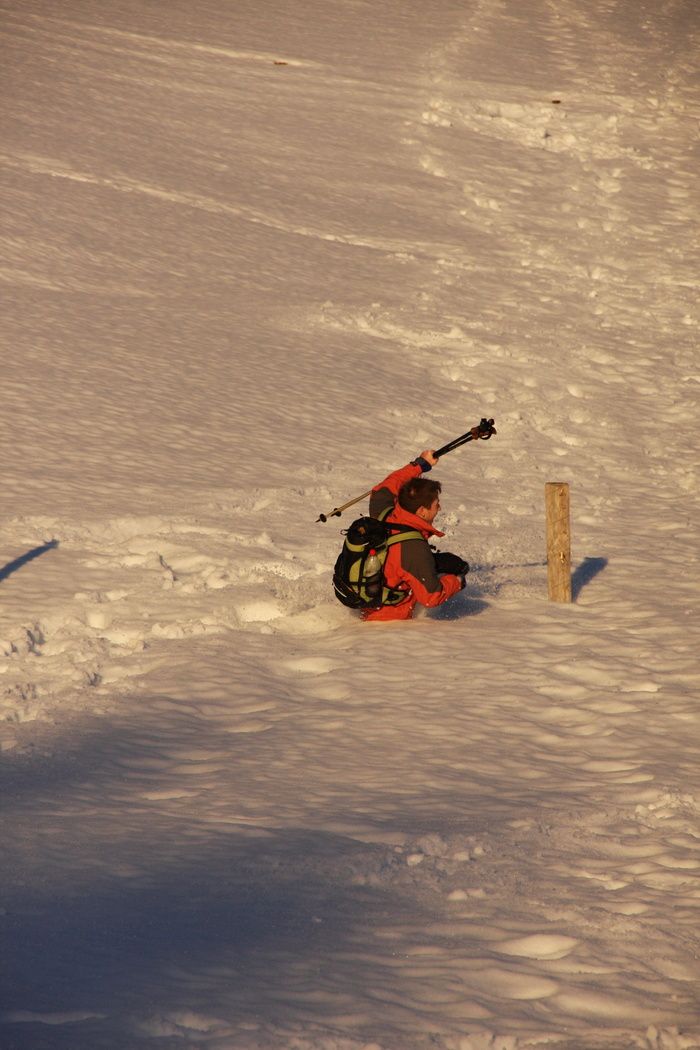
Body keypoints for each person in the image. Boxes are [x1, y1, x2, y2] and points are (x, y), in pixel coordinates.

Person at [363, 450, 469, 622]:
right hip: (390, 624)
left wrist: (420, 464)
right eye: (436, 505)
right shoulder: (413, 548)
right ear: (421, 512)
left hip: (371, 604)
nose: (439, 508)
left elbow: (386, 487)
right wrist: (457, 581)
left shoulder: (384, 514)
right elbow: (431, 598)